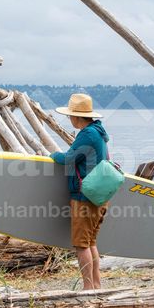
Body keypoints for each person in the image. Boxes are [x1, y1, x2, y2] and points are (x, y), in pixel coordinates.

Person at [50, 93, 109, 290]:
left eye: (70, 116)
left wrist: (51, 154)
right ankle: (96, 286)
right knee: (90, 242)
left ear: (76, 117)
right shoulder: (99, 132)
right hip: (99, 195)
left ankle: (87, 288)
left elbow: (68, 159)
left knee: (81, 245)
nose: (69, 119)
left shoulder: (87, 134)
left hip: (85, 197)